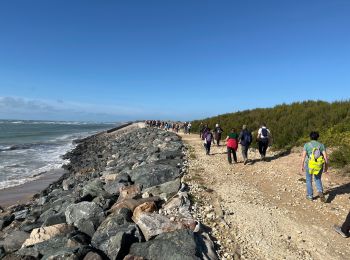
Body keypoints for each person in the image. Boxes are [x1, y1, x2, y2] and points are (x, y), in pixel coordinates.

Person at [300, 131, 328, 202]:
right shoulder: (321, 145)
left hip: (309, 165)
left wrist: (302, 165)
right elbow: (325, 158)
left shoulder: (306, 145)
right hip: (319, 165)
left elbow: (303, 156)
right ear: (317, 137)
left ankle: (310, 196)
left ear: (310, 137)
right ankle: (320, 192)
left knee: (309, 180)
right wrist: (326, 167)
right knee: (318, 179)